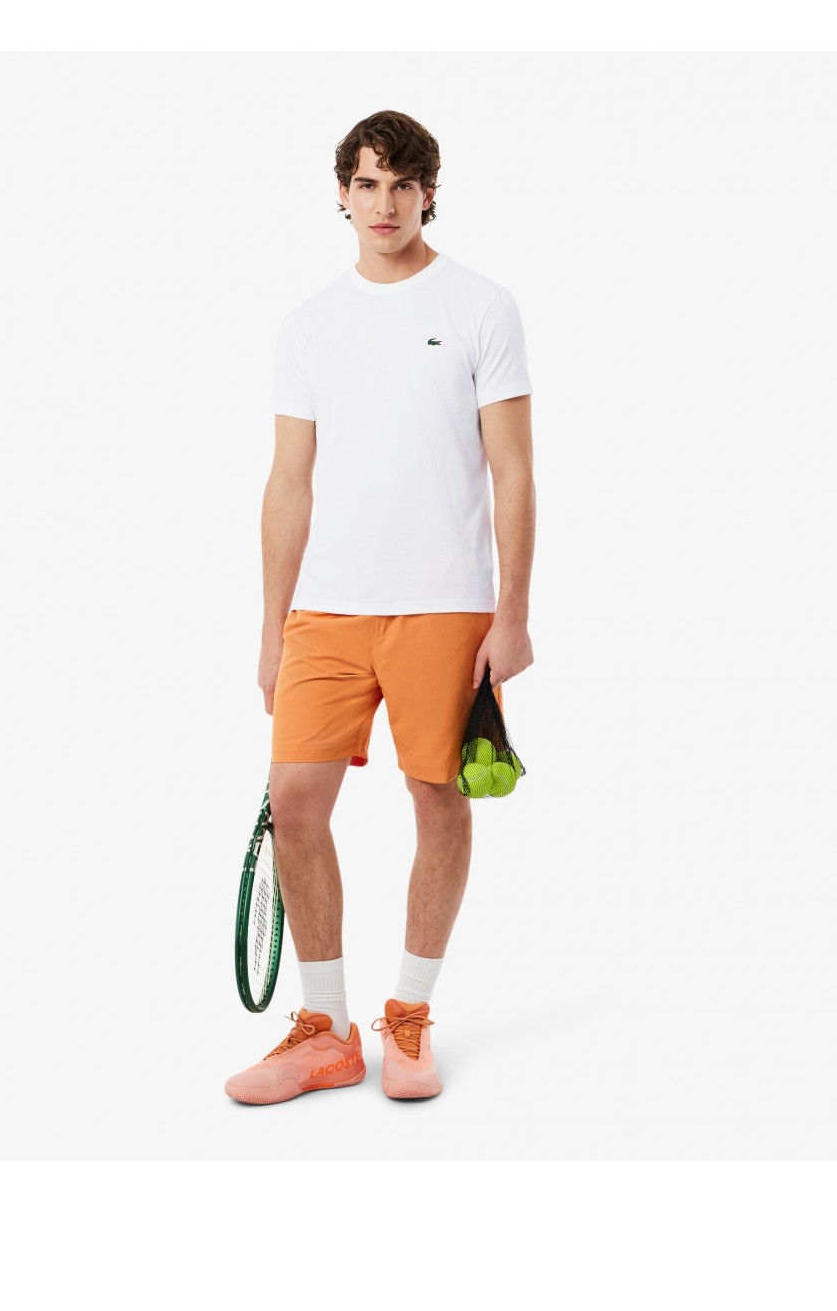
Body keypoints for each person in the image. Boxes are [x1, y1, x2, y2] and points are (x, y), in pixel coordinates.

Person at [225, 110, 535, 1105]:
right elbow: (288, 483)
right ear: (342, 195)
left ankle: (408, 1015)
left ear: (429, 194)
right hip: (325, 611)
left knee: (437, 799)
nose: (386, 203)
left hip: (444, 606)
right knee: (295, 802)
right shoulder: (308, 324)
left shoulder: (482, 306)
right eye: (368, 184)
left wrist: (512, 613)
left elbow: (514, 471)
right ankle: (324, 1031)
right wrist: (272, 627)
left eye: (404, 185)